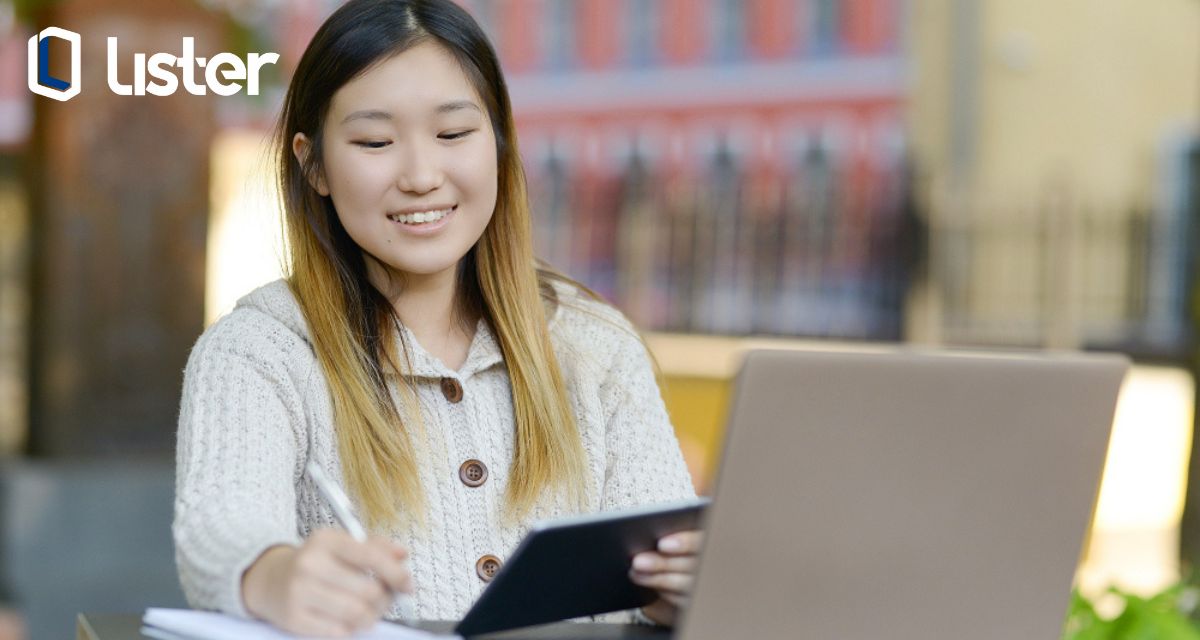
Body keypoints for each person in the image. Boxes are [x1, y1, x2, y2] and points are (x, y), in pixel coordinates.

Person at [173, 0, 702, 636]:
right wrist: (274, 576)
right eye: (375, 142)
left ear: (500, 143)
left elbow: (666, 556)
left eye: (454, 135)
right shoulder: (258, 352)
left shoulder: (594, 345)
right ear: (312, 163)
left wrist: (682, 592)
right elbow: (220, 535)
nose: (422, 176)